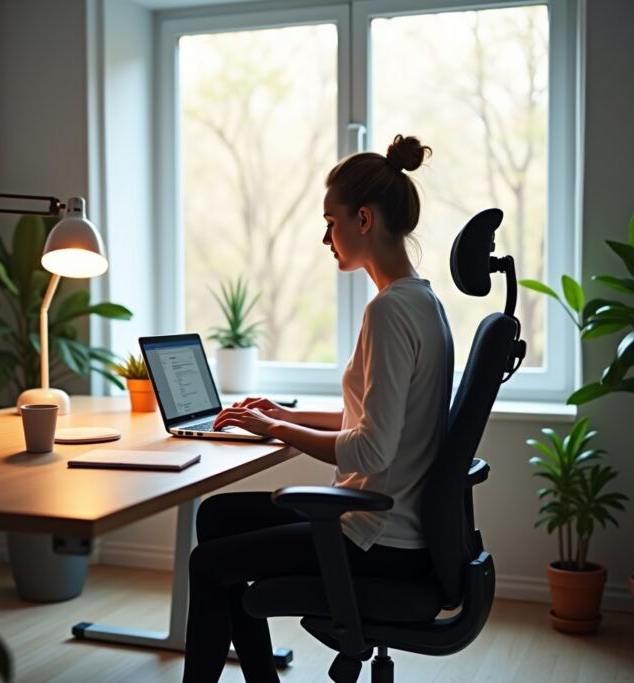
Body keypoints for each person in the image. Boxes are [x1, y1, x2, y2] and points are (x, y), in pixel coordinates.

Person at [181, 134, 453, 683]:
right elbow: (376, 422)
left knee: (208, 565)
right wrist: (286, 414)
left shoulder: (389, 313)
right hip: (388, 522)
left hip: (374, 535)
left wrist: (274, 427)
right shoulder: (422, 302)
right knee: (214, 516)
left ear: (364, 219)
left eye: (330, 223)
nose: (325, 237)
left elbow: (372, 446)